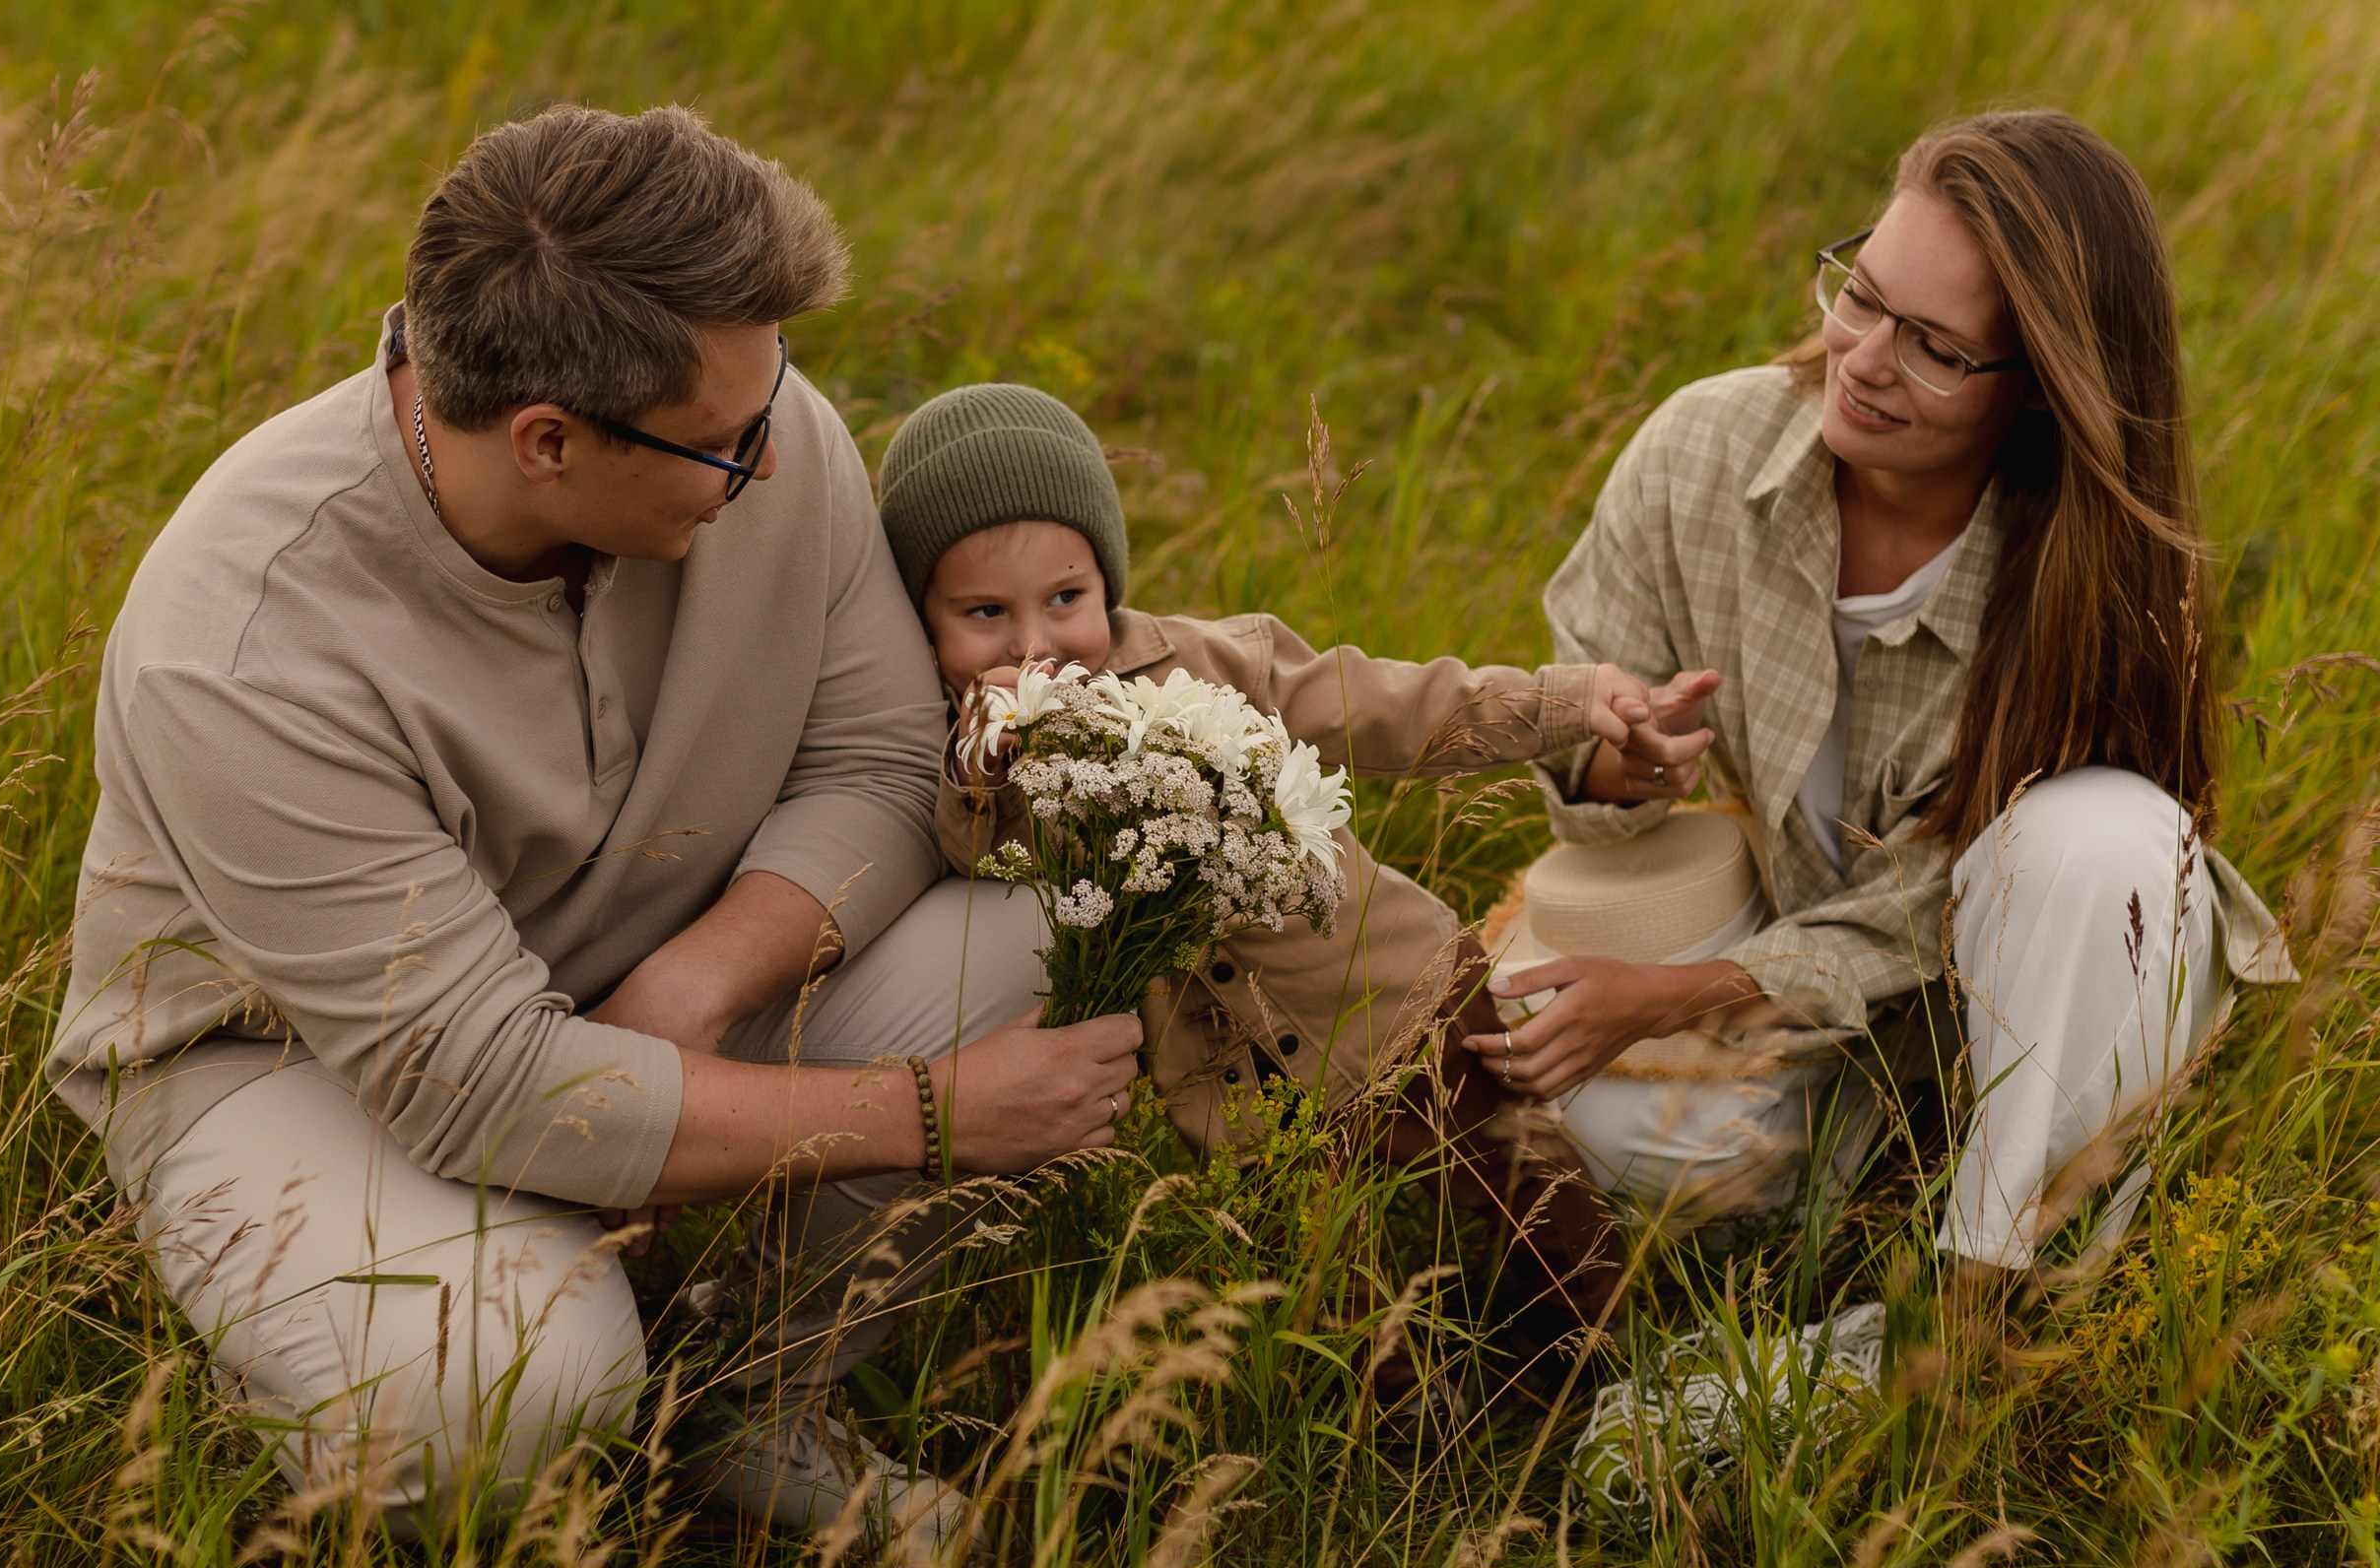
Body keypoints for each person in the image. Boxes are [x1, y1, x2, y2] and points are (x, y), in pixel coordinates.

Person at [44, 106, 1142, 1549]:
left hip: (647, 978)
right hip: (307, 1063)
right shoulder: (244, 641)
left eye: (773, 400)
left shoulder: (753, 424)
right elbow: (477, 1078)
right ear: (549, 439)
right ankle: (431, 1344)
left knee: (1041, 916)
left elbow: (882, 759)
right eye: (722, 445)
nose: (777, 453)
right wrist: (926, 1115)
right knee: (499, 1394)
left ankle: (753, 1398)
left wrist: (697, 985)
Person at [1468, 109, 2294, 1274]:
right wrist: (1617, 763)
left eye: (1935, 348)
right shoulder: (1698, 451)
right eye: (1859, 295)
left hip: (2017, 1005)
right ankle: (1858, 1195)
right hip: (1810, 989)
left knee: (2105, 836)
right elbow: (1591, 747)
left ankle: (1993, 1280)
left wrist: (1677, 993)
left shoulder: (2084, 581)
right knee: (1558, 1109)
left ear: (2044, 389)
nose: (1861, 359)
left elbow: (1938, 897)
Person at [874, 383, 1709, 1344]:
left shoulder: (1215, 663)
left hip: (1393, 992)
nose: (1034, 645)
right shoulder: (983, 756)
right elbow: (985, 861)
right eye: (983, 613)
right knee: (1323, 1291)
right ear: (925, 625)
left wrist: (1563, 704)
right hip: (1240, 1091)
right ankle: (1400, 1433)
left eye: (1066, 599)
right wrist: (982, 768)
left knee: (1519, 1174)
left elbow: (1394, 707)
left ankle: (1613, 1354)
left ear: (1107, 580)